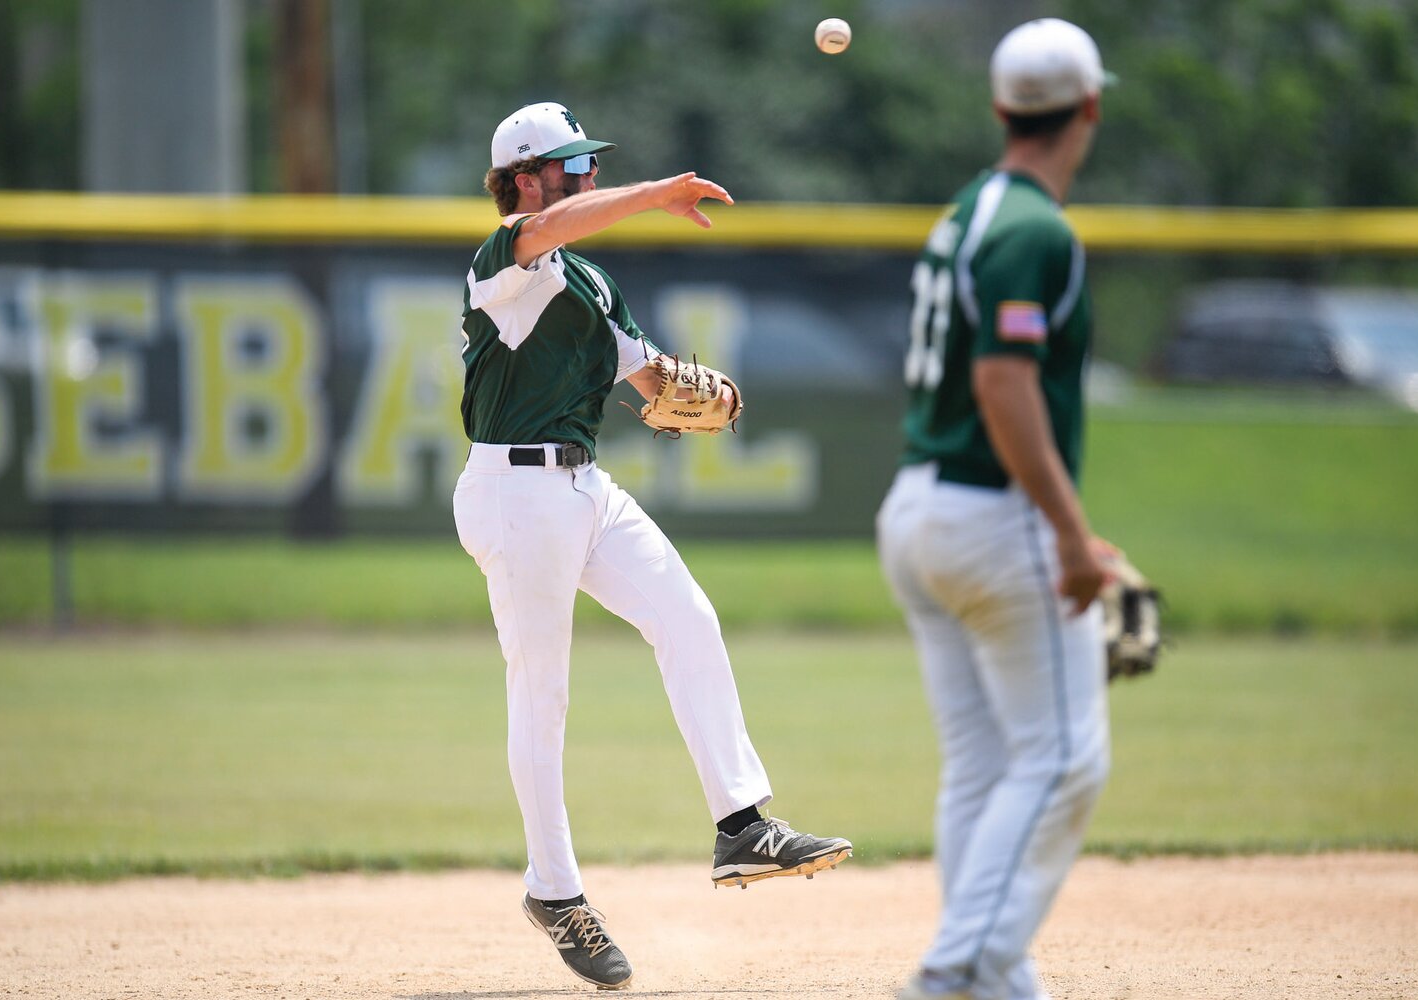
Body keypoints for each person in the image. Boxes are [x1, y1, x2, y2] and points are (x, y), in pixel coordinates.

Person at [453, 102, 852, 991]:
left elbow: (648, 377)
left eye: (591, 165)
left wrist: (680, 389)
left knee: (688, 616)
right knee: (543, 693)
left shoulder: (591, 286)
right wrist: (658, 192)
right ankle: (553, 892)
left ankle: (742, 825)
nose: (587, 177)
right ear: (525, 179)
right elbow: (548, 228)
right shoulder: (505, 265)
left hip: (583, 488)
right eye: (571, 166)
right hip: (512, 491)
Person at [875, 20, 1117, 1000]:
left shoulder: (970, 208)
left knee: (982, 765)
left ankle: (999, 975)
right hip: (991, 511)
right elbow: (1005, 386)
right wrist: (1071, 533)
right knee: (1063, 758)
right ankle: (955, 968)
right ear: (1089, 108)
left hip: (917, 509)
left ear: (999, 109)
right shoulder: (1036, 230)